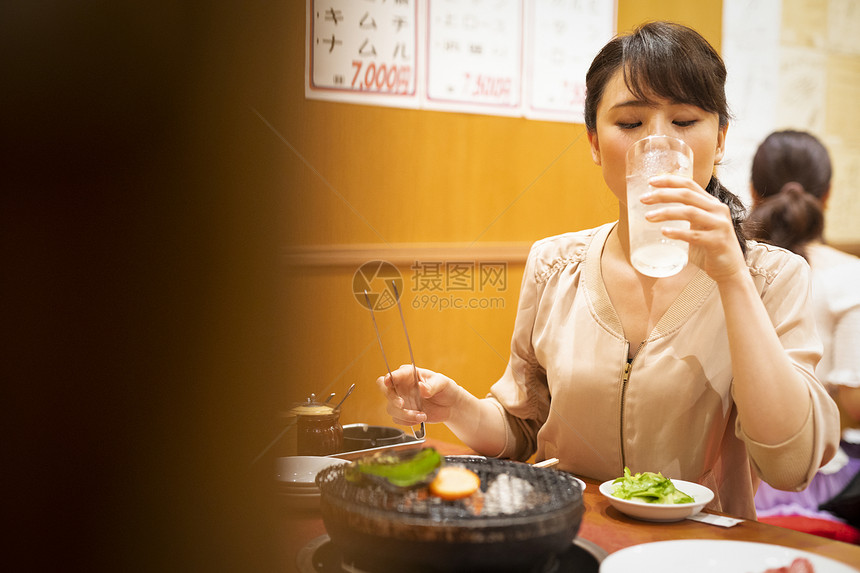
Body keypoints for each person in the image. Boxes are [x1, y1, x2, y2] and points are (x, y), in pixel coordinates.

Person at [376, 21, 840, 520]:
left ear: (720, 140)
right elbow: (523, 429)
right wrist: (458, 409)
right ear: (595, 143)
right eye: (630, 124)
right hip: (570, 534)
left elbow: (789, 466)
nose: (658, 146)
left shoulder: (773, 277)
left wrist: (731, 276)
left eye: (684, 121)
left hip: (700, 552)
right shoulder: (556, 264)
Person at [745, 130, 860, 536]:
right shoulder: (850, 275)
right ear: (827, 196)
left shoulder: (728, 266)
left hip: (727, 478)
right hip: (815, 483)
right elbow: (857, 403)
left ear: (752, 190)